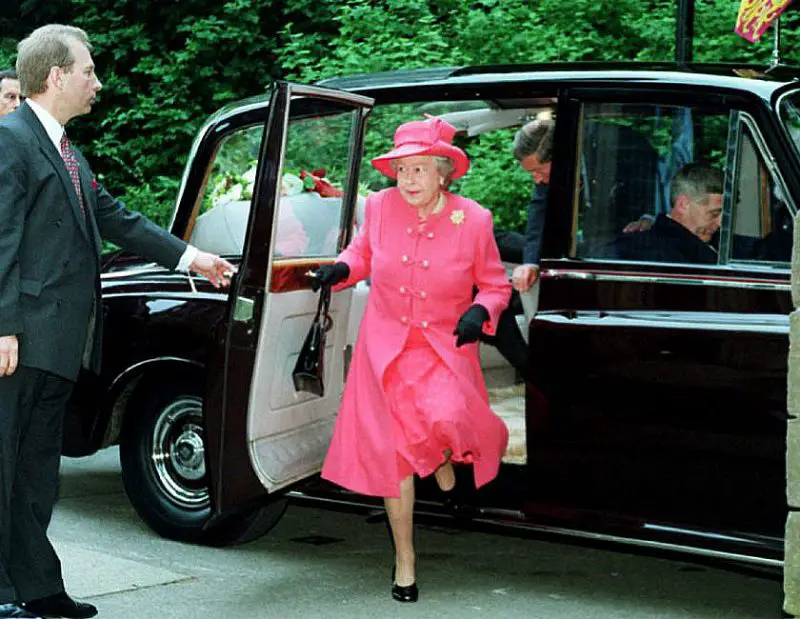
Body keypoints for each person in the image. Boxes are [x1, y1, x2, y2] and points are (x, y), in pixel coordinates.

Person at [0, 25, 235, 619]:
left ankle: (36, 588)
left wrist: (194, 257)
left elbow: (118, 219)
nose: (97, 82)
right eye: (88, 70)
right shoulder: (9, 139)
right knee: (3, 469)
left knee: (34, 476)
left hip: (56, 344)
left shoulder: (66, 152)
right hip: (18, 340)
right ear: (56, 76)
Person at [314, 116, 511, 603]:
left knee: (448, 419)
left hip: (443, 348)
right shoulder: (379, 207)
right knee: (394, 455)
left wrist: (479, 310)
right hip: (385, 352)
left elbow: (494, 284)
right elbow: (360, 254)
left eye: (419, 170)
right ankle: (405, 559)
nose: (408, 181)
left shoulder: (475, 219)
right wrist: (340, 268)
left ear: (444, 172)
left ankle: (443, 463)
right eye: (401, 170)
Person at [613, 162, 723, 264]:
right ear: (683, 205)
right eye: (714, 214)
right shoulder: (651, 253)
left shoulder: (726, 242)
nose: (720, 223)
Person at [509, 117, 553, 293]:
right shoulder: (544, 180)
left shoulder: (604, 154)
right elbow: (538, 217)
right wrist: (530, 263)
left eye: (539, 171)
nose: (537, 179)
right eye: (531, 173)